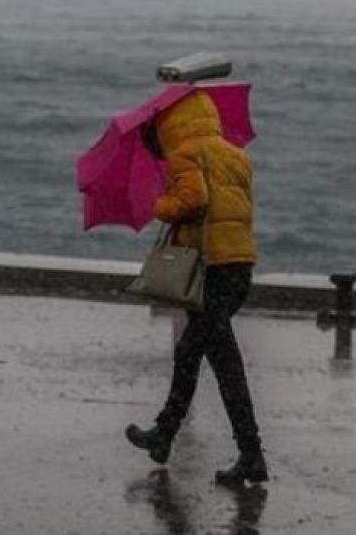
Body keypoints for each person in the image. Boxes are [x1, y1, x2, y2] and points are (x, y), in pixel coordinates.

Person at [126, 89, 268, 486]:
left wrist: (162, 206)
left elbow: (194, 199)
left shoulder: (185, 154)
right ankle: (166, 435)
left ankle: (249, 453)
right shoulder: (236, 155)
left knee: (215, 361)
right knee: (198, 355)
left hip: (210, 271)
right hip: (238, 266)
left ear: (171, 124)